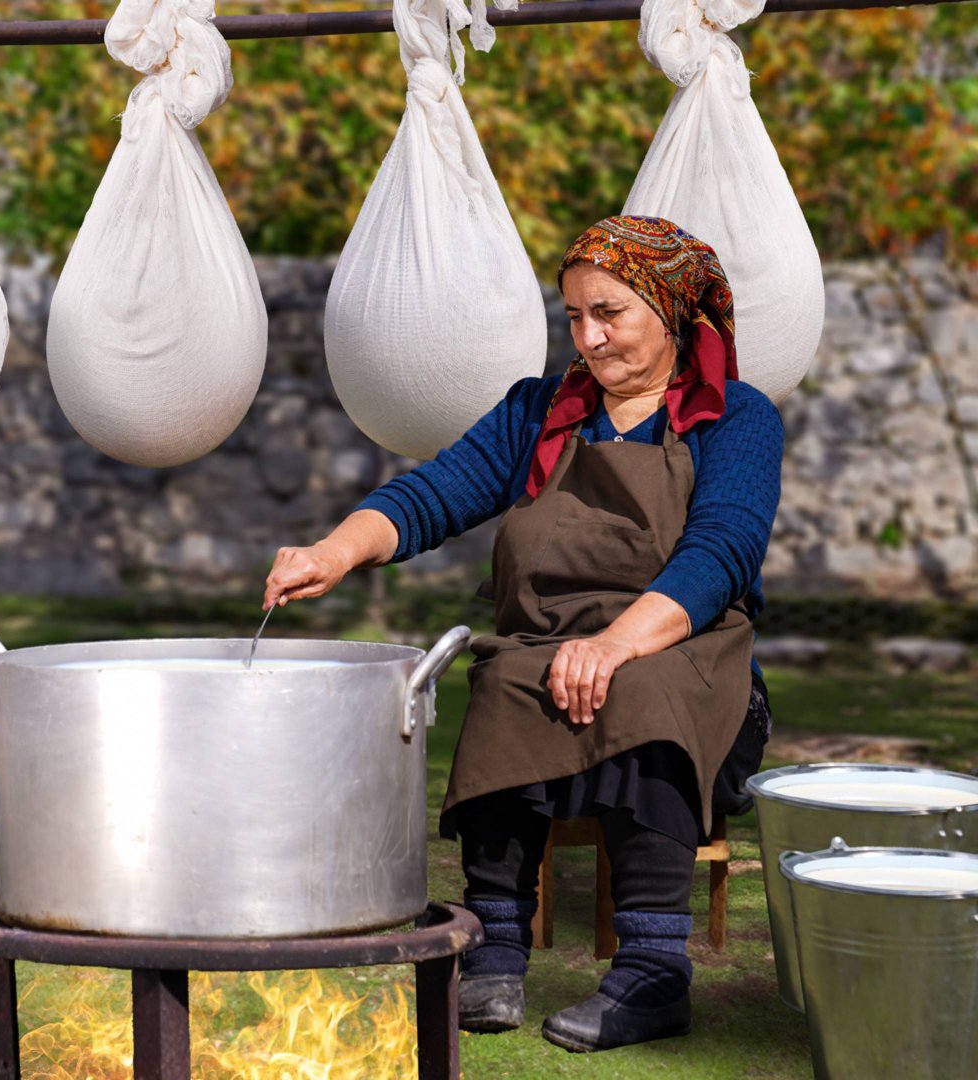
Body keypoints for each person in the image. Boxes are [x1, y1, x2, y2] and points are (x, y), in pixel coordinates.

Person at [264, 215, 780, 1052]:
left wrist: (617, 644)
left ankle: (653, 972)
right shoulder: (540, 412)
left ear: (673, 309)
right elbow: (433, 495)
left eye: (609, 312)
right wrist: (334, 551)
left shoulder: (734, 417)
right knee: (504, 678)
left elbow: (721, 552)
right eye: (574, 316)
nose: (589, 335)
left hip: (688, 660)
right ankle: (492, 951)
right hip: (547, 650)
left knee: (640, 691)